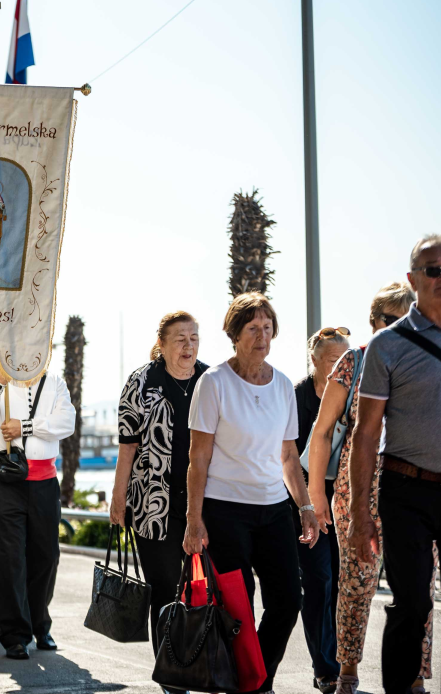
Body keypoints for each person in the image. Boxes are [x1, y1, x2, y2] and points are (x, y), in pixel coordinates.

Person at [348, 235, 441, 694]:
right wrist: (360, 515)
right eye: (433, 269)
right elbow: (365, 434)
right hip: (407, 492)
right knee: (413, 605)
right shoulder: (387, 345)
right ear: (413, 279)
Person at [184, 292, 321, 694]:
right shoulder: (214, 383)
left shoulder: (282, 386)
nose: (262, 336)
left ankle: (256, 680)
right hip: (225, 511)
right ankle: (249, 684)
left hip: (274, 508)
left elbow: (288, 456)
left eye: (267, 327)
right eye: (252, 328)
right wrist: (194, 519)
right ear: (234, 334)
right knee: (237, 607)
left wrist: (306, 507)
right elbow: (198, 458)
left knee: (288, 601)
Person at [308, 283, 436, 694]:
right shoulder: (355, 361)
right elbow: (322, 431)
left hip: (419, 493)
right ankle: (347, 670)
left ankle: (414, 674)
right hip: (357, 493)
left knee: (418, 588)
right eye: (392, 320)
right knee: (356, 585)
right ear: (374, 322)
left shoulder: (429, 361)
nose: (402, 328)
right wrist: (316, 494)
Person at [111, 311, 206, 688]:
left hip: (205, 505)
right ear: (162, 344)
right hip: (153, 506)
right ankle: (171, 674)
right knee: (165, 590)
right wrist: (118, 497)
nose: (188, 345)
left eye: (194, 338)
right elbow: (127, 446)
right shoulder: (141, 381)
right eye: (180, 339)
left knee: (203, 590)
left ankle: (203, 660)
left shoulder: (210, 380)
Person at [0, 362, 76, 660]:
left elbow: (67, 423)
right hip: (4, 480)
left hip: (45, 482)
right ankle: (15, 635)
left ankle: (40, 623)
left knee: (47, 556)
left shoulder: (55, 380)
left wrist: (26, 427)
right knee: (10, 557)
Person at [290, 326, 350, 693]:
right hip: (304, 501)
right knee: (318, 581)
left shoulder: (352, 392)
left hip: (343, 499)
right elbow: (287, 458)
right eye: (331, 360)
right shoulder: (297, 397)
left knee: (342, 583)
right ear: (314, 360)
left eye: (345, 360)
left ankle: (341, 663)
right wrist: (308, 504)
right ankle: (325, 668)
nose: (339, 367)